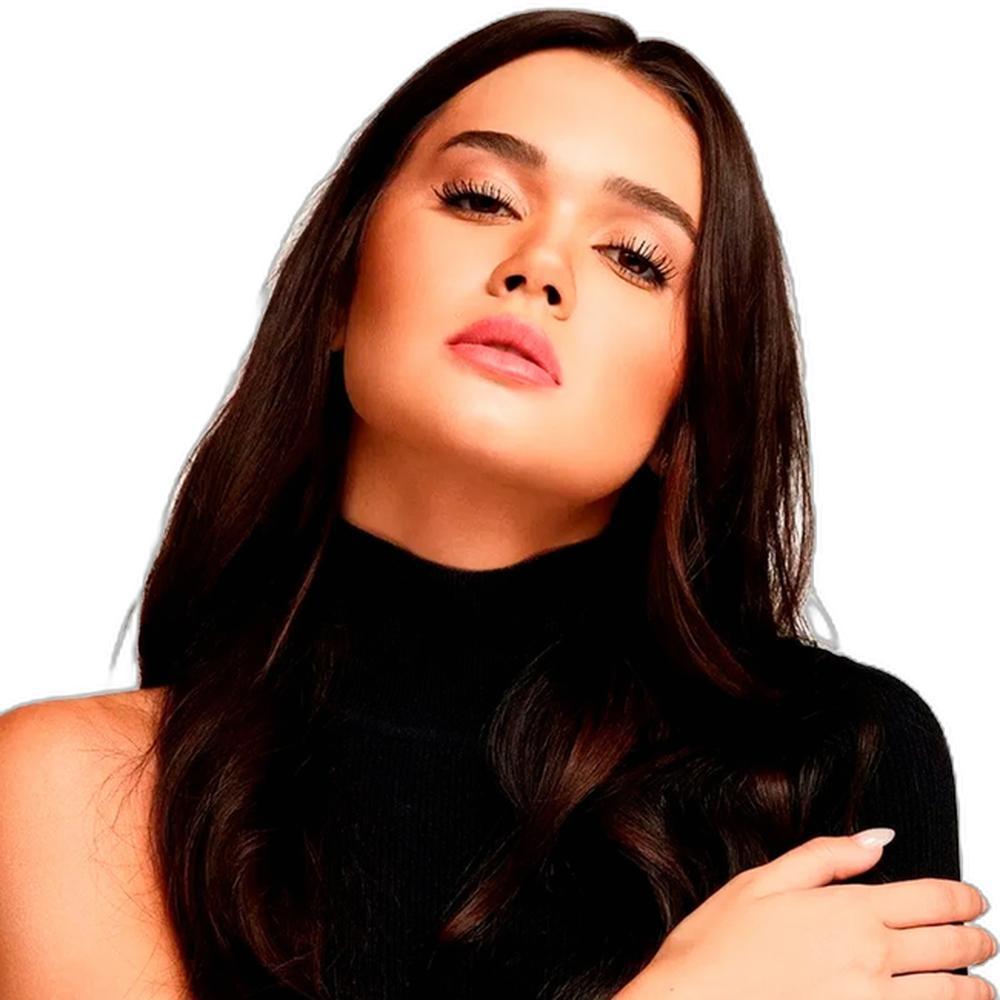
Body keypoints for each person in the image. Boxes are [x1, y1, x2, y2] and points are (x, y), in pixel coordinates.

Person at [0, 9, 994, 1000]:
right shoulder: (78, 794)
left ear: (688, 407)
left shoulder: (834, 760)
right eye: (481, 198)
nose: (539, 268)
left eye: (634, 257)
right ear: (339, 285)